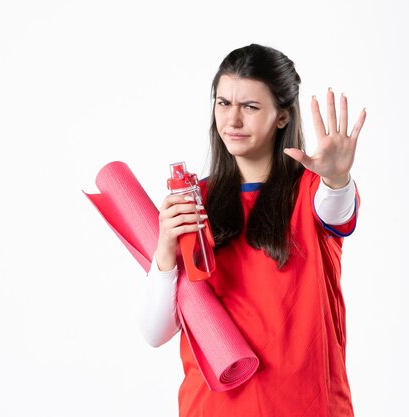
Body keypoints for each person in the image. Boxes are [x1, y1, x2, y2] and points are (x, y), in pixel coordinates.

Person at [137, 44, 366, 416]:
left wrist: (338, 177)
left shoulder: (312, 192)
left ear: (282, 117)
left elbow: (337, 207)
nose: (232, 120)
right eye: (224, 103)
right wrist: (165, 250)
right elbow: (155, 332)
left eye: (251, 107)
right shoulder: (194, 202)